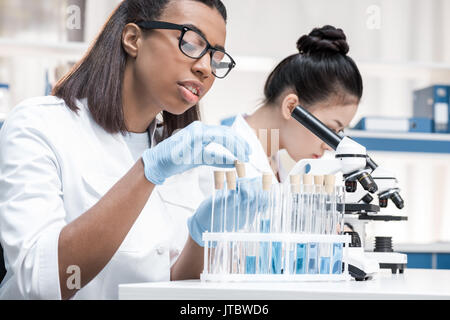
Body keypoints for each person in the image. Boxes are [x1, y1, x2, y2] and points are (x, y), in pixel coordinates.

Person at [0, 0, 257, 300]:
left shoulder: (178, 150)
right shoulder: (40, 125)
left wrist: (203, 238)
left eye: (216, 57)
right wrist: (147, 173)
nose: (204, 68)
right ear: (133, 38)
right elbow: (41, 284)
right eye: (190, 42)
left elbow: (168, 284)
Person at [200, 25, 364, 193]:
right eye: (329, 129)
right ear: (291, 107)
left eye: (338, 132)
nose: (329, 146)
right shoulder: (220, 161)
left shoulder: (278, 164)